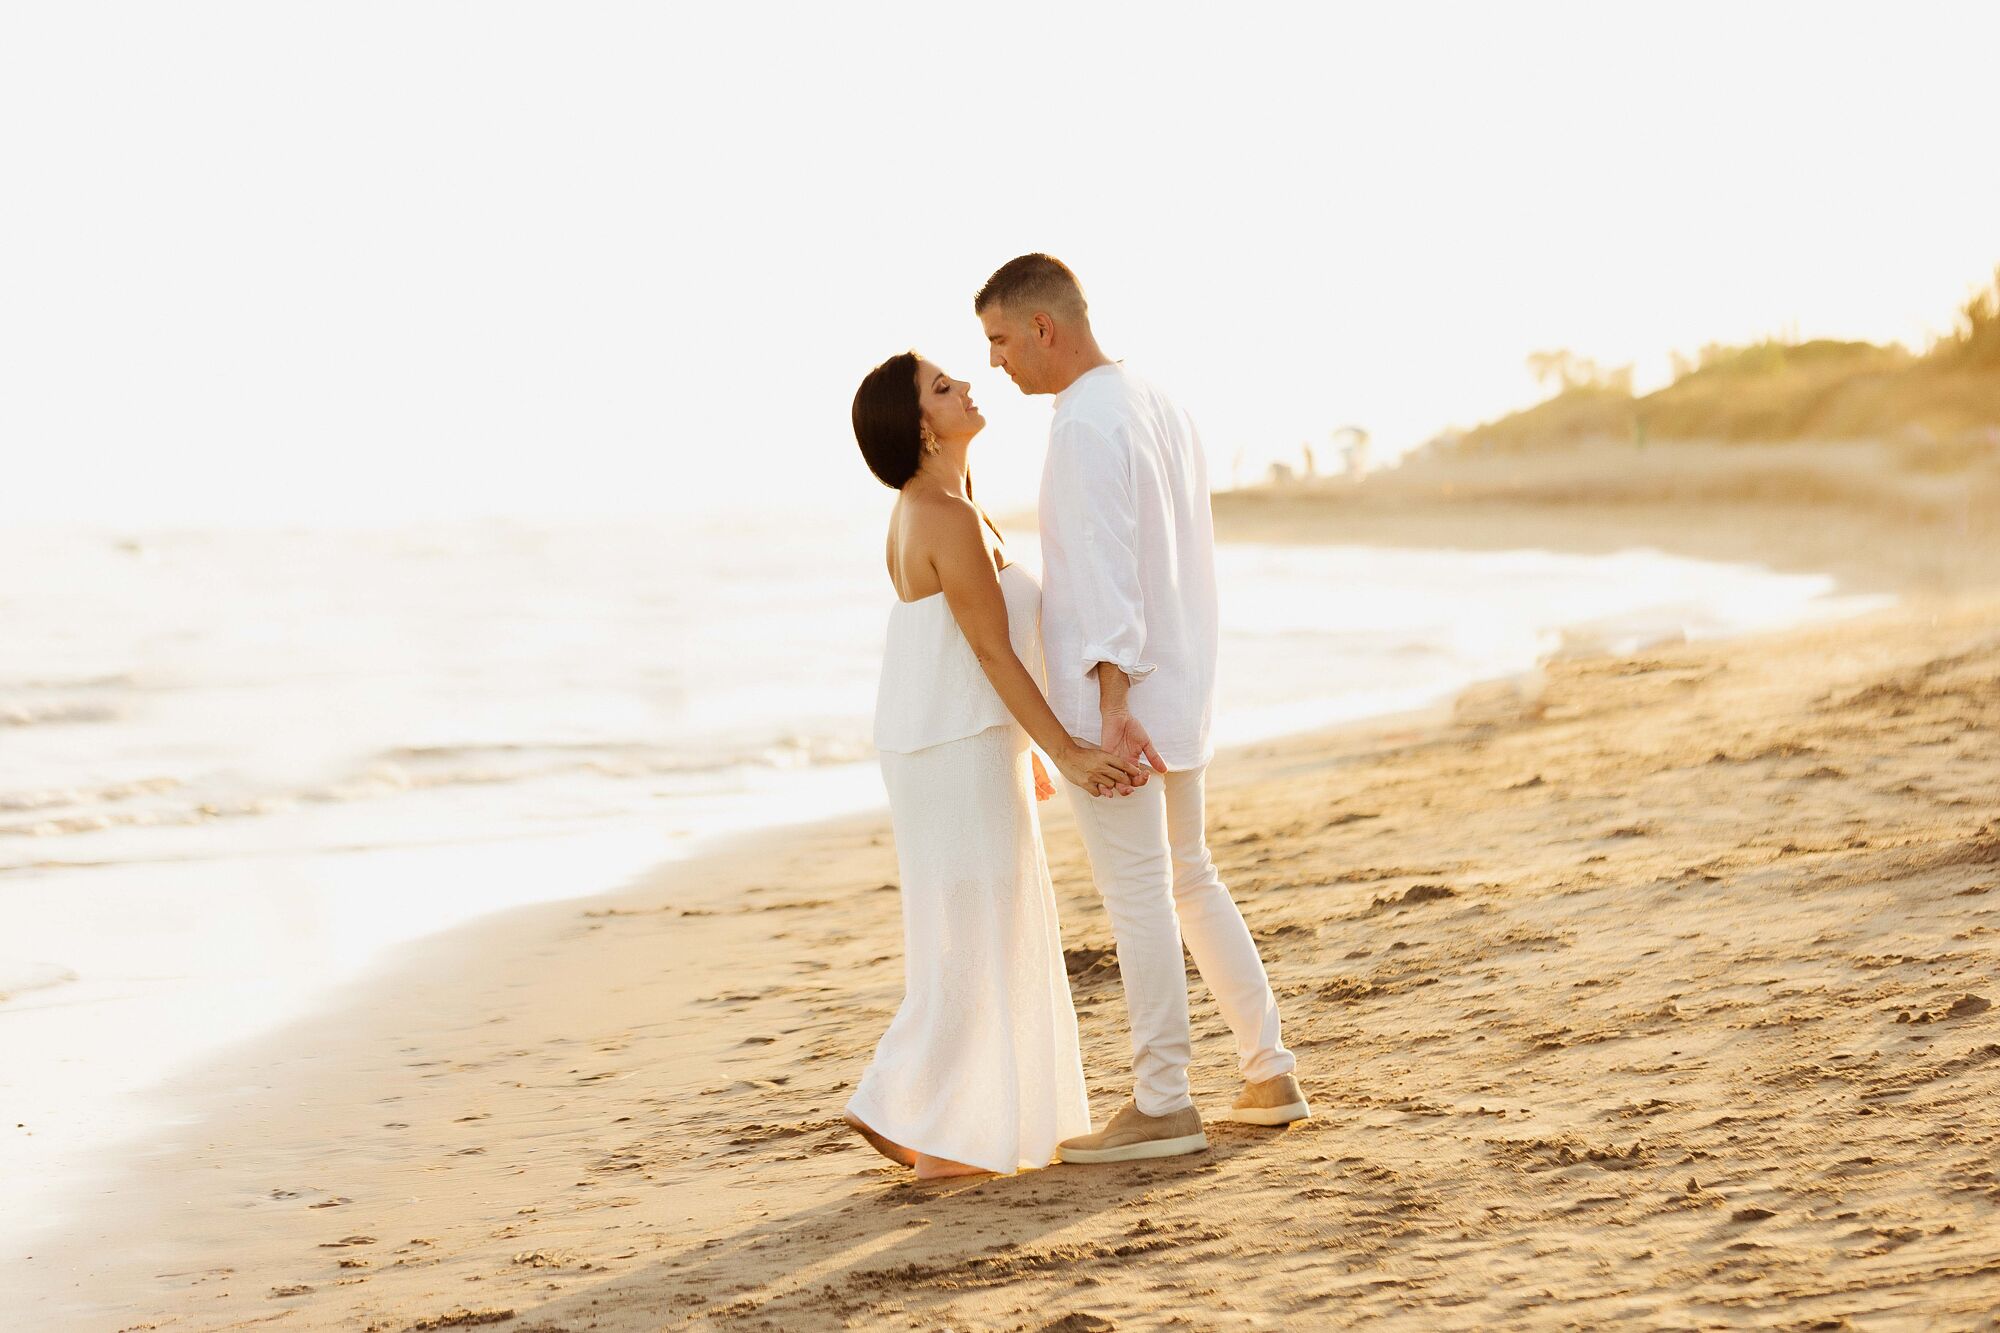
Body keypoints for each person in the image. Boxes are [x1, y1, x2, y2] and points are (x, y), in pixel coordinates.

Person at [975, 254, 1309, 1164]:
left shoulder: (1083, 423)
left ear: (1044, 327)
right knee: (1189, 874)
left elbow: (1107, 572)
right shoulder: (1155, 399)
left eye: (1001, 339)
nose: (996, 362)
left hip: (1116, 700)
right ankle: (1268, 1071)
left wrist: (1111, 705)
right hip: (1184, 683)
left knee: (1141, 893)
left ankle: (1164, 1100)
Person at [842, 350, 1148, 1179]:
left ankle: (938, 1123)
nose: (966, 387)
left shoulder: (946, 504)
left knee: (977, 929)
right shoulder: (938, 512)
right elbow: (987, 650)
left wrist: (1030, 744)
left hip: (958, 740)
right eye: (943, 388)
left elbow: (981, 647)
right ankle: (909, 1110)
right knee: (974, 931)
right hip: (952, 746)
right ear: (918, 425)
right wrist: (1068, 749)